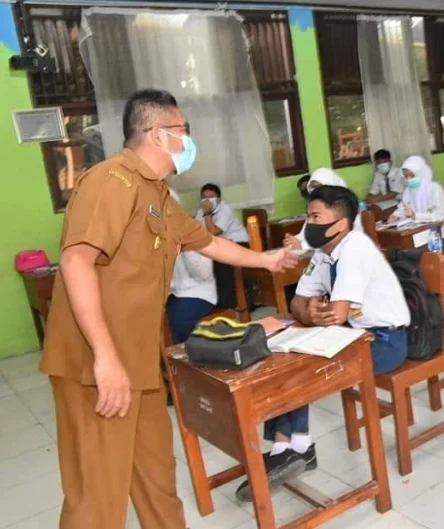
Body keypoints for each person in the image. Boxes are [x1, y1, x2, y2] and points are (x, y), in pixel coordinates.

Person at [38, 89, 298, 529]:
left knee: (157, 479)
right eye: (184, 131)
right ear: (158, 135)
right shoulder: (110, 181)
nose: (188, 141)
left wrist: (267, 259)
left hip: (137, 362)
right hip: (95, 364)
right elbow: (75, 261)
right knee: (97, 497)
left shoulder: (158, 192)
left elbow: (208, 242)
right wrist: (106, 360)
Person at [235, 185, 410, 502]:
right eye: (308, 216)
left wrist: (316, 313)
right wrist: (311, 311)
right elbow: (298, 305)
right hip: (354, 335)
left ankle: (293, 448)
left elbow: (336, 314)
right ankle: (290, 447)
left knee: (303, 365)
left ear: (339, 224)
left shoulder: (355, 247)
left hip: (386, 341)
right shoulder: (322, 254)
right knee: (284, 359)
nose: (308, 224)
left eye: (315, 216)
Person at [166, 191, 217, 344]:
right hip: (175, 291)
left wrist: (184, 244)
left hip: (198, 291)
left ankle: (187, 359)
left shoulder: (191, 229)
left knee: (179, 318)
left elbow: (203, 274)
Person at [284, 168, 365, 252]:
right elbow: (305, 235)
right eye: (312, 188)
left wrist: (302, 245)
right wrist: (291, 242)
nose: (315, 191)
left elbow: (332, 238)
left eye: (319, 187)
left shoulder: (345, 208)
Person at [391, 155, 444, 246]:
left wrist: (416, 215)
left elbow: (440, 216)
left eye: (412, 175)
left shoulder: (434, 188)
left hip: (439, 235)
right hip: (417, 234)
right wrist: (395, 215)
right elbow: (403, 208)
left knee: (410, 251)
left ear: (421, 173)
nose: (408, 179)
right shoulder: (408, 191)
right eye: (406, 176)